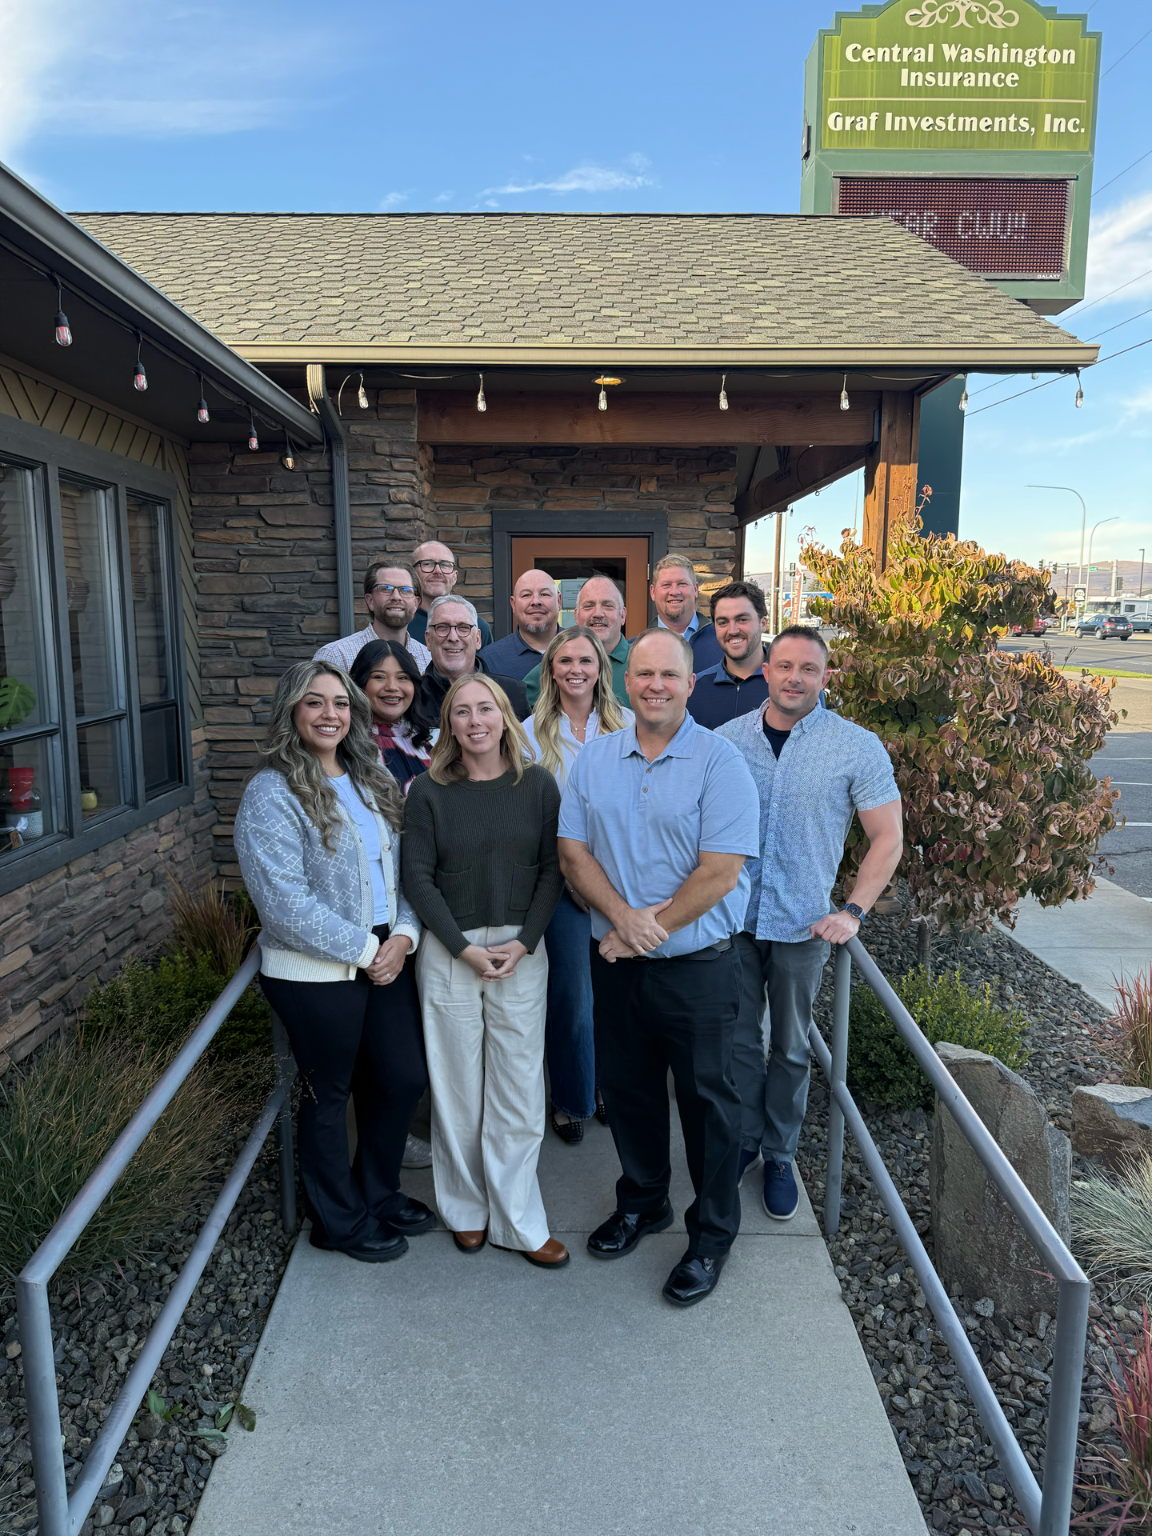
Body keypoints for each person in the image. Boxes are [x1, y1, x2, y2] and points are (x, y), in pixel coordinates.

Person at [558, 629, 760, 1308]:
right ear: (626, 681)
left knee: (711, 1108)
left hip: (699, 970)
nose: (655, 686)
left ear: (689, 683)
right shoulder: (594, 760)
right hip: (618, 965)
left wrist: (645, 930)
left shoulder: (719, 762)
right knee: (631, 1094)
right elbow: (573, 853)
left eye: (668, 675)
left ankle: (710, 1237)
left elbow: (721, 872)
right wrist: (623, 921)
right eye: (643, 674)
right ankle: (644, 1204)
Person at [234, 660, 431, 1264]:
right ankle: (336, 1220)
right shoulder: (271, 792)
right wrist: (369, 949)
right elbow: (284, 904)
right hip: (315, 972)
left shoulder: (367, 778)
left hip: (385, 954)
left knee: (399, 1079)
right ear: (292, 711)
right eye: (315, 703)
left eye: (340, 703)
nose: (329, 714)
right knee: (330, 1094)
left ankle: (377, 1190)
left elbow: (399, 871)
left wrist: (402, 934)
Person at [716, 625, 903, 1221]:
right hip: (734, 921)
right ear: (765, 670)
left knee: (792, 1049)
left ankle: (779, 1154)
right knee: (741, 1042)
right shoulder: (724, 742)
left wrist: (852, 911)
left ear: (825, 678)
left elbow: (887, 838)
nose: (795, 677)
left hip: (804, 926)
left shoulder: (856, 746)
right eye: (785, 666)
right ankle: (744, 1141)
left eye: (809, 669)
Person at [403, 675, 567, 1267]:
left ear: (504, 717)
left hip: (521, 952)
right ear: (448, 724)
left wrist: (525, 942)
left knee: (520, 1091)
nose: (475, 722)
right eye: (462, 712)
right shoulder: (427, 791)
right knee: (457, 1088)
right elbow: (416, 877)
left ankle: (519, 1222)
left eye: (486, 710)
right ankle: (467, 1210)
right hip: (452, 953)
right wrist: (461, 947)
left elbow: (553, 870)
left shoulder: (539, 786)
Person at [522, 625, 632, 1144]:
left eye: (585, 661)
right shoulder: (527, 734)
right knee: (573, 995)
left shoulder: (629, 725)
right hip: (562, 887)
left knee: (619, 995)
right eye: (564, 662)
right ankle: (570, 1097)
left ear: (601, 668)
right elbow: (524, 819)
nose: (576, 671)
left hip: (623, 886)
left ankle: (608, 1084)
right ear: (551, 671)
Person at [419, 594, 529, 722]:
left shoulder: (513, 693)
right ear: (428, 640)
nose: (453, 637)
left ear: (477, 639)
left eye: (463, 628)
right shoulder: (412, 697)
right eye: (442, 627)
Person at [524, 575, 630, 709]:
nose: (598, 613)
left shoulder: (640, 662)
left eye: (608, 606)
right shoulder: (555, 666)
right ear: (576, 616)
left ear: (622, 615)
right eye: (588, 606)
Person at [313, 560, 431, 674]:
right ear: (370, 601)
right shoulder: (335, 656)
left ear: (416, 603)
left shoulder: (429, 658)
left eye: (405, 590)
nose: (396, 597)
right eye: (385, 589)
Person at [348, 639, 435, 792]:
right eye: (379, 677)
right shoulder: (344, 741)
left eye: (402, 677)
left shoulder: (433, 738)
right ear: (360, 683)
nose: (392, 687)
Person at [687, 580, 771, 728]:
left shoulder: (789, 686)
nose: (732, 630)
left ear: (763, 623)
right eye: (723, 622)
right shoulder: (694, 690)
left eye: (742, 619)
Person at [407, 540, 494, 648]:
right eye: (427, 564)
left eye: (445, 565)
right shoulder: (402, 624)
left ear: (454, 577)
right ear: (413, 574)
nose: (438, 571)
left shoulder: (477, 626)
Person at [479, 568, 561, 679]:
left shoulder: (580, 649)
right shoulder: (488, 660)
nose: (535, 601)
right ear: (513, 604)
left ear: (559, 601)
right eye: (526, 595)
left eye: (545, 594)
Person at [650, 553, 722, 670]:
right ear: (653, 592)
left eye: (682, 584)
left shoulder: (722, 642)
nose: (674, 592)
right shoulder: (636, 648)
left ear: (695, 589)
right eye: (666, 585)